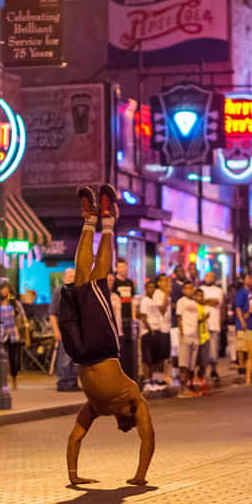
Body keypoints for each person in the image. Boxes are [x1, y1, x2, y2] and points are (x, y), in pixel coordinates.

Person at [59, 185, 155, 487]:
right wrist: (139, 477)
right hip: (102, 347)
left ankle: (94, 220)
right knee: (93, 280)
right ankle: (105, 220)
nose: (129, 423)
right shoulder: (134, 398)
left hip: (80, 352)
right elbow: (148, 439)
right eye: (130, 423)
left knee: (81, 283)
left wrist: (74, 478)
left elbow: (75, 439)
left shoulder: (97, 409)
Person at [0, 280, 27, 390]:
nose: (4, 291)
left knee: (13, 358)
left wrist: (25, 325)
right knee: (1, 358)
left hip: (13, 333)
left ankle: (14, 379)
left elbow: (23, 316)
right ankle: (3, 380)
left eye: (6, 288)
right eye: (2, 288)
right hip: (1, 333)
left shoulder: (15, 302)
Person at [199, 270, 224, 385]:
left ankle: (214, 371)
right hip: (203, 324)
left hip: (214, 324)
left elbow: (218, 302)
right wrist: (209, 301)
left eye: (212, 276)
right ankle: (202, 373)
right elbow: (199, 300)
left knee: (214, 351)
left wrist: (206, 301)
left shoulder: (218, 290)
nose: (210, 278)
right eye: (208, 276)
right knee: (203, 350)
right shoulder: (201, 289)